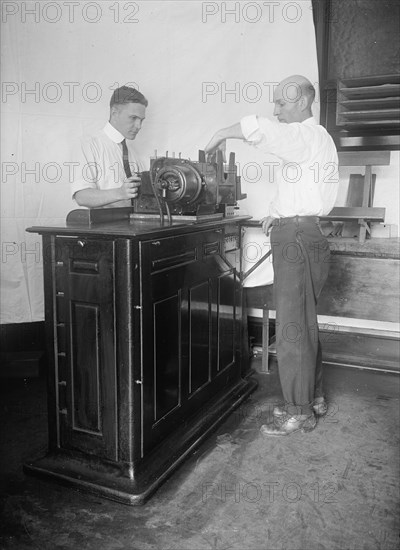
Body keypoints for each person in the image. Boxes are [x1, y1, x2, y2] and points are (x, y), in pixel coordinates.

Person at [204, 75, 339, 436]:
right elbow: (304, 185)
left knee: (293, 326)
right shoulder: (318, 140)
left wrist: (220, 133)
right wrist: (277, 212)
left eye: (281, 102)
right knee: (304, 322)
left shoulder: (305, 135)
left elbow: (261, 129)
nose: (275, 109)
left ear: (301, 102)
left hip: (296, 238)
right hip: (304, 230)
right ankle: (314, 397)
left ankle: (298, 411)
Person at [71, 85, 147, 208]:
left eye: (141, 120)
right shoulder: (89, 144)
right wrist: (120, 193)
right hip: (100, 226)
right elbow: (81, 196)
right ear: (114, 113)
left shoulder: (133, 153)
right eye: (133, 118)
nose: (139, 126)